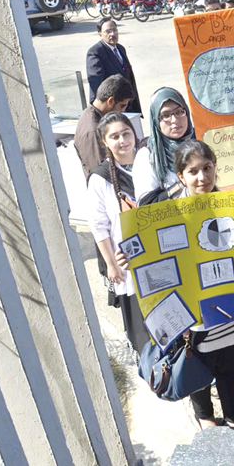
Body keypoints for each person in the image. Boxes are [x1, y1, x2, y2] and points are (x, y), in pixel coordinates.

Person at [174, 140, 234, 429]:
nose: (202, 177)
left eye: (207, 168)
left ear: (215, 167)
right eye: (193, 171)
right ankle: (205, 418)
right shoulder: (170, 215)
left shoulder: (231, 206)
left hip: (229, 310)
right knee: (198, 369)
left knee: (230, 366)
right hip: (194, 317)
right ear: (180, 176)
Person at [86, 112, 148, 354]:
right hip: (127, 258)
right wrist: (111, 264)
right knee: (140, 318)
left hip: (158, 251)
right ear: (105, 142)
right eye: (115, 136)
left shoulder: (147, 164)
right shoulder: (100, 178)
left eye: (126, 133)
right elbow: (98, 225)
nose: (122, 140)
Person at [133, 88, 195, 203]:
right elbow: (145, 205)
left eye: (179, 112)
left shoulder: (201, 141)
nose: (175, 120)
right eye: (166, 115)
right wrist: (182, 183)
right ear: (156, 121)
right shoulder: (148, 155)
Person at [75, 74, 134, 179]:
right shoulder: (92, 131)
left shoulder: (94, 116)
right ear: (110, 101)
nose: (123, 111)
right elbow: (102, 173)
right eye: (122, 106)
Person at [86, 18, 141, 114]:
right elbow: (96, 83)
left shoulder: (120, 49)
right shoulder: (95, 52)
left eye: (114, 30)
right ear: (100, 34)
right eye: (108, 31)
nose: (112, 34)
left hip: (128, 104)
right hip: (112, 107)